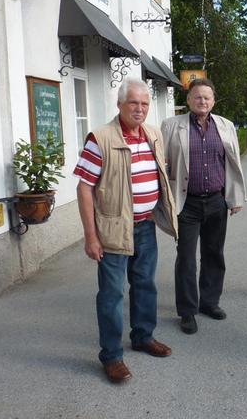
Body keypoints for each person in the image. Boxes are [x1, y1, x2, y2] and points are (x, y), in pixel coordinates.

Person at [74, 78, 178, 384]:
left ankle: (143, 336)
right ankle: (111, 356)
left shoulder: (153, 134)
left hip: (145, 225)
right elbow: (84, 188)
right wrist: (90, 236)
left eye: (145, 103)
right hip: (113, 229)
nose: (140, 108)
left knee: (145, 285)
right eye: (133, 102)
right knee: (112, 294)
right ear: (119, 104)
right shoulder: (101, 137)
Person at [161, 78, 246, 335]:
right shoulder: (171, 126)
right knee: (186, 258)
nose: (202, 101)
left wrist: (234, 197)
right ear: (188, 100)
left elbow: (232, 162)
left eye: (207, 97)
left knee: (213, 254)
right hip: (186, 202)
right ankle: (187, 311)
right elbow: (162, 163)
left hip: (217, 201)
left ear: (213, 101)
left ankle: (209, 302)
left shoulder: (225, 126)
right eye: (197, 97)